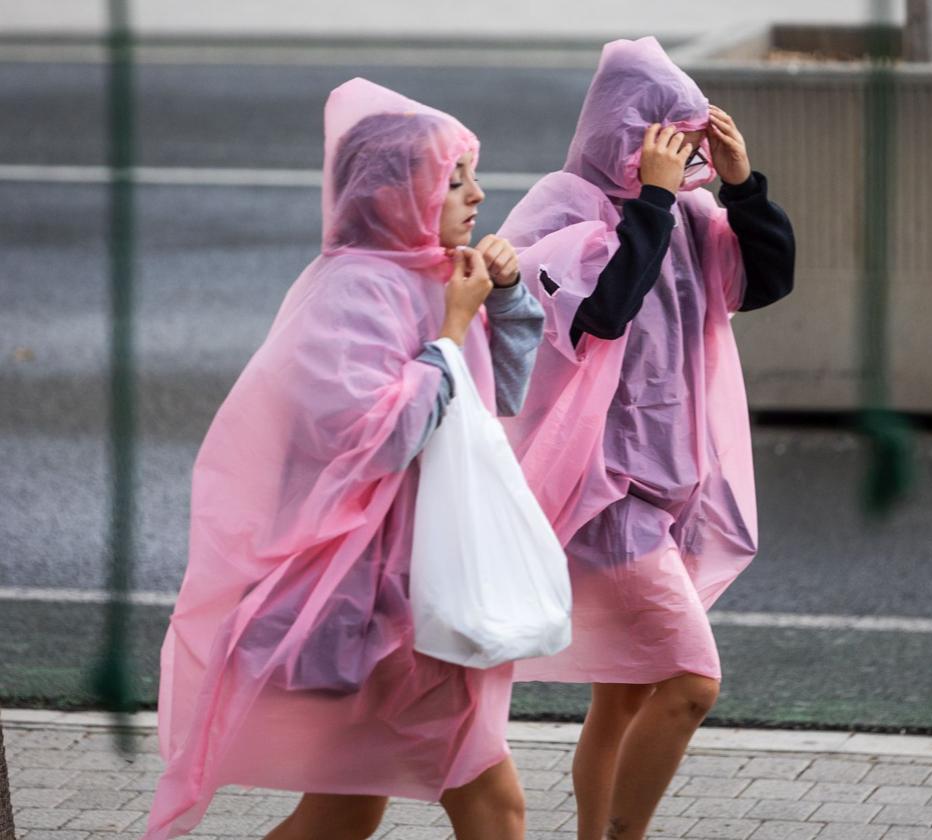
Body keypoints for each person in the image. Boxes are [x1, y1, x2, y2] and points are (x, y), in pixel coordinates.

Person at [141, 77, 544, 840]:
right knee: (491, 805)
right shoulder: (353, 292)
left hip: (411, 592)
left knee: (344, 812)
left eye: (469, 175)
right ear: (400, 193)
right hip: (378, 602)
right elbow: (378, 437)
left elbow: (500, 396)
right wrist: (452, 334)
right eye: (453, 179)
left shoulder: (431, 273)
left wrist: (506, 296)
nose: (478, 194)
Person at [498, 37, 796, 840]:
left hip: (672, 485)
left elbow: (767, 280)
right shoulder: (564, 209)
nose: (680, 155)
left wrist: (741, 185)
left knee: (626, 692)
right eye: (666, 136)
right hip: (605, 494)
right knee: (691, 683)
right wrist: (654, 204)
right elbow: (601, 310)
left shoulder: (696, 214)